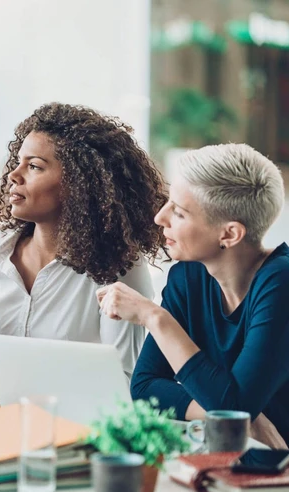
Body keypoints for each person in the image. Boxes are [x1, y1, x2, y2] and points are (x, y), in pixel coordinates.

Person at [0, 103, 167, 407]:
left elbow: (122, 381)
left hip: (72, 439)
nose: (14, 175)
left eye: (34, 166)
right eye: (17, 162)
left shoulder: (117, 264)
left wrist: (22, 392)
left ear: (80, 184)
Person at [98, 144, 289, 448]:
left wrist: (154, 317)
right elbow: (145, 388)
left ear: (229, 234)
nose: (160, 217)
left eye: (180, 212)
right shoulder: (189, 276)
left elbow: (234, 407)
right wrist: (244, 417)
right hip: (232, 457)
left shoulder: (281, 283)